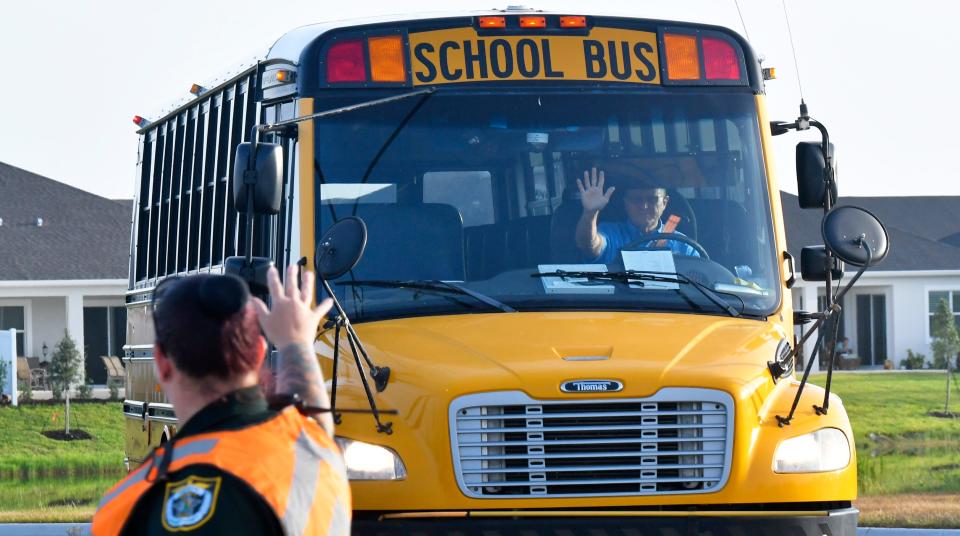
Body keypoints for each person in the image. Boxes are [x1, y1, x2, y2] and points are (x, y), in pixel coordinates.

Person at [92, 266, 350, 535]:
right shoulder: (315, 448)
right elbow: (313, 413)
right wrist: (295, 343)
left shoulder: (130, 506)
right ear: (260, 353)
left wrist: (293, 345)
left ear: (162, 363)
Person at [574, 167, 700, 264]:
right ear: (625, 203)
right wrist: (590, 212)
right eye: (636, 200)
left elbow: (698, 285)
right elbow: (588, 244)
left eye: (652, 199)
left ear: (664, 203)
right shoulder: (611, 234)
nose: (644, 206)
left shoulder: (684, 246)